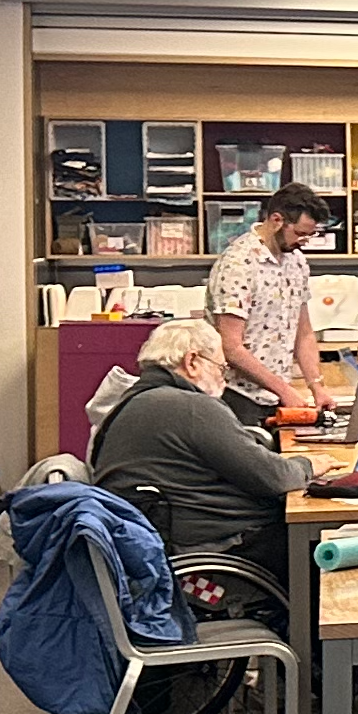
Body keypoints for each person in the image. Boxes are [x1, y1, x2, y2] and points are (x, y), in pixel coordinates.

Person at [88, 318, 314, 581]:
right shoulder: (191, 407)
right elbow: (275, 477)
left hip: (161, 546)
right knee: (314, 543)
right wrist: (309, 465)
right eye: (221, 367)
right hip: (211, 555)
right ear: (192, 361)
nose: (223, 377)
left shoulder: (133, 402)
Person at [206, 184, 337, 427]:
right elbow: (231, 347)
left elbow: (304, 332)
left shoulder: (296, 261)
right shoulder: (238, 264)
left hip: (275, 395)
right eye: (299, 233)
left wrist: (316, 387)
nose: (305, 241)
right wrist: (285, 391)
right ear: (277, 220)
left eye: (311, 235)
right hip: (236, 396)